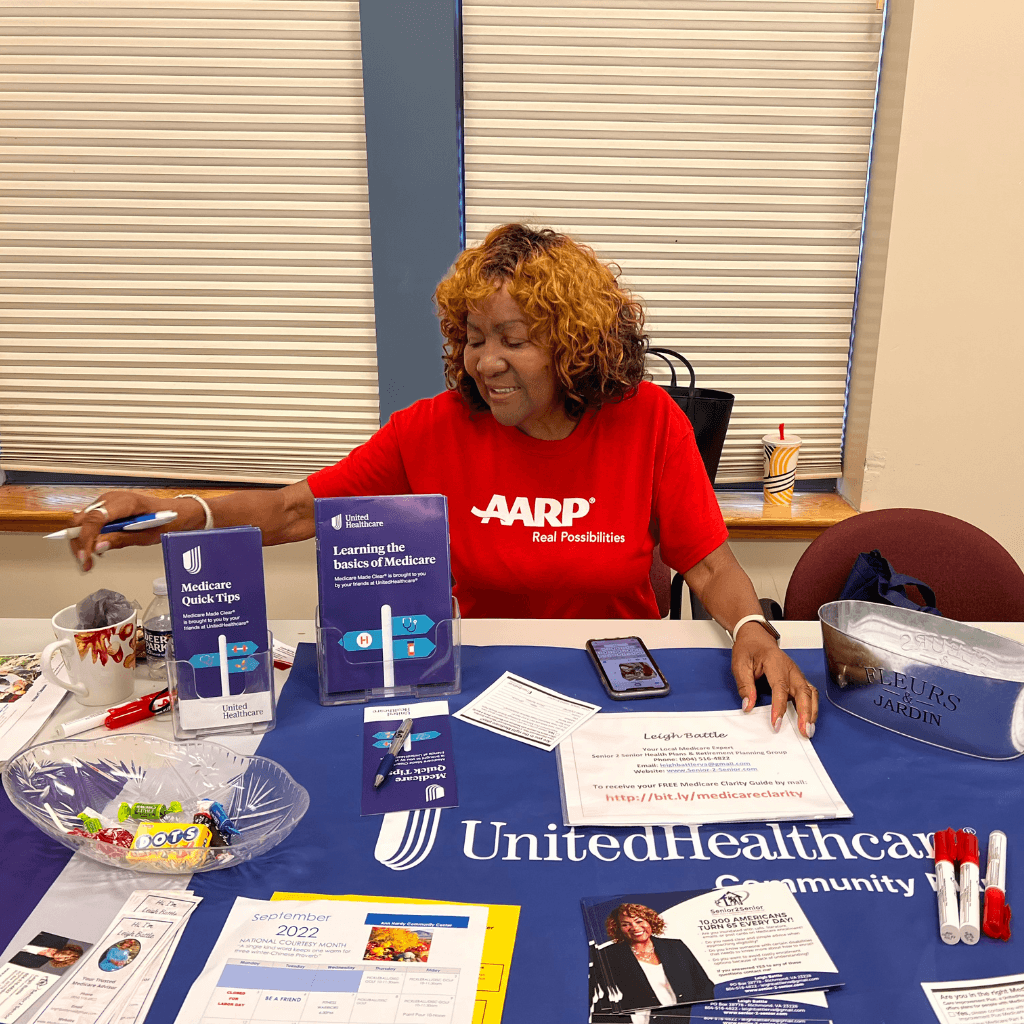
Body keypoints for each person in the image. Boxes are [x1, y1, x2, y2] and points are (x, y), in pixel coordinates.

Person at [66, 224, 818, 736]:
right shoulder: (429, 429)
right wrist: (163, 510)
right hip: (475, 682)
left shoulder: (650, 421)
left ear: (574, 346)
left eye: (513, 340)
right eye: (472, 338)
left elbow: (710, 562)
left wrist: (754, 629)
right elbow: (294, 512)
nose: (483, 362)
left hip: (611, 683)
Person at [597, 903, 714, 1014]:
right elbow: (605, 999)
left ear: (650, 922)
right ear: (618, 928)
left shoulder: (676, 946)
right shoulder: (607, 955)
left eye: (639, 921)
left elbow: (704, 985)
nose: (635, 927)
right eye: (625, 924)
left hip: (688, 1016)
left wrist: (698, 1015)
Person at [10, 932, 84, 969]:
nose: (62, 955)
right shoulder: (59, 938)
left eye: (65, 959)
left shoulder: (36, 964)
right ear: (70, 948)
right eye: (69, 953)